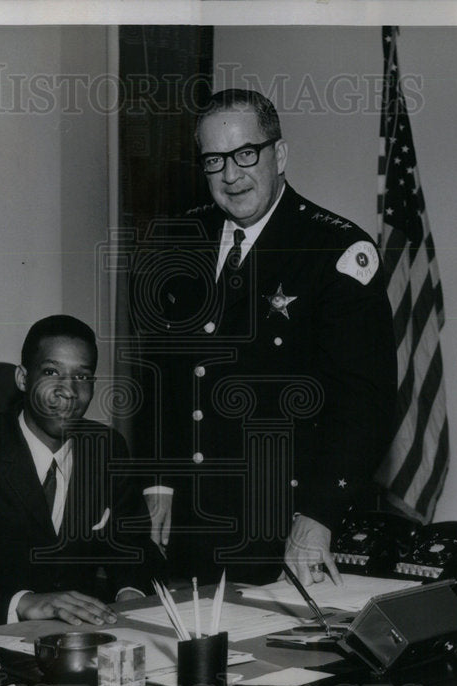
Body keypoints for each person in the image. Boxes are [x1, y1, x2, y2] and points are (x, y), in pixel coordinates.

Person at [131, 89, 397, 587]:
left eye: (245, 154)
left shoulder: (334, 250)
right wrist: (159, 480)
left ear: (280, 154)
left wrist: (318, 515)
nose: (231, 176)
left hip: (289, 528)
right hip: (189, 526)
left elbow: (367, 404)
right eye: (214, 161)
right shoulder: (175, 241)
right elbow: (160, 374)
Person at [0, 315, 162, 630]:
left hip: (83, 640)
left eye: (83, 376)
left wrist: (131, 591)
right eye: (52, 372)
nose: (69, 391)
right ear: (23, 378)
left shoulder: (105, 448)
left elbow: (134, 548)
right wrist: (22, 602)